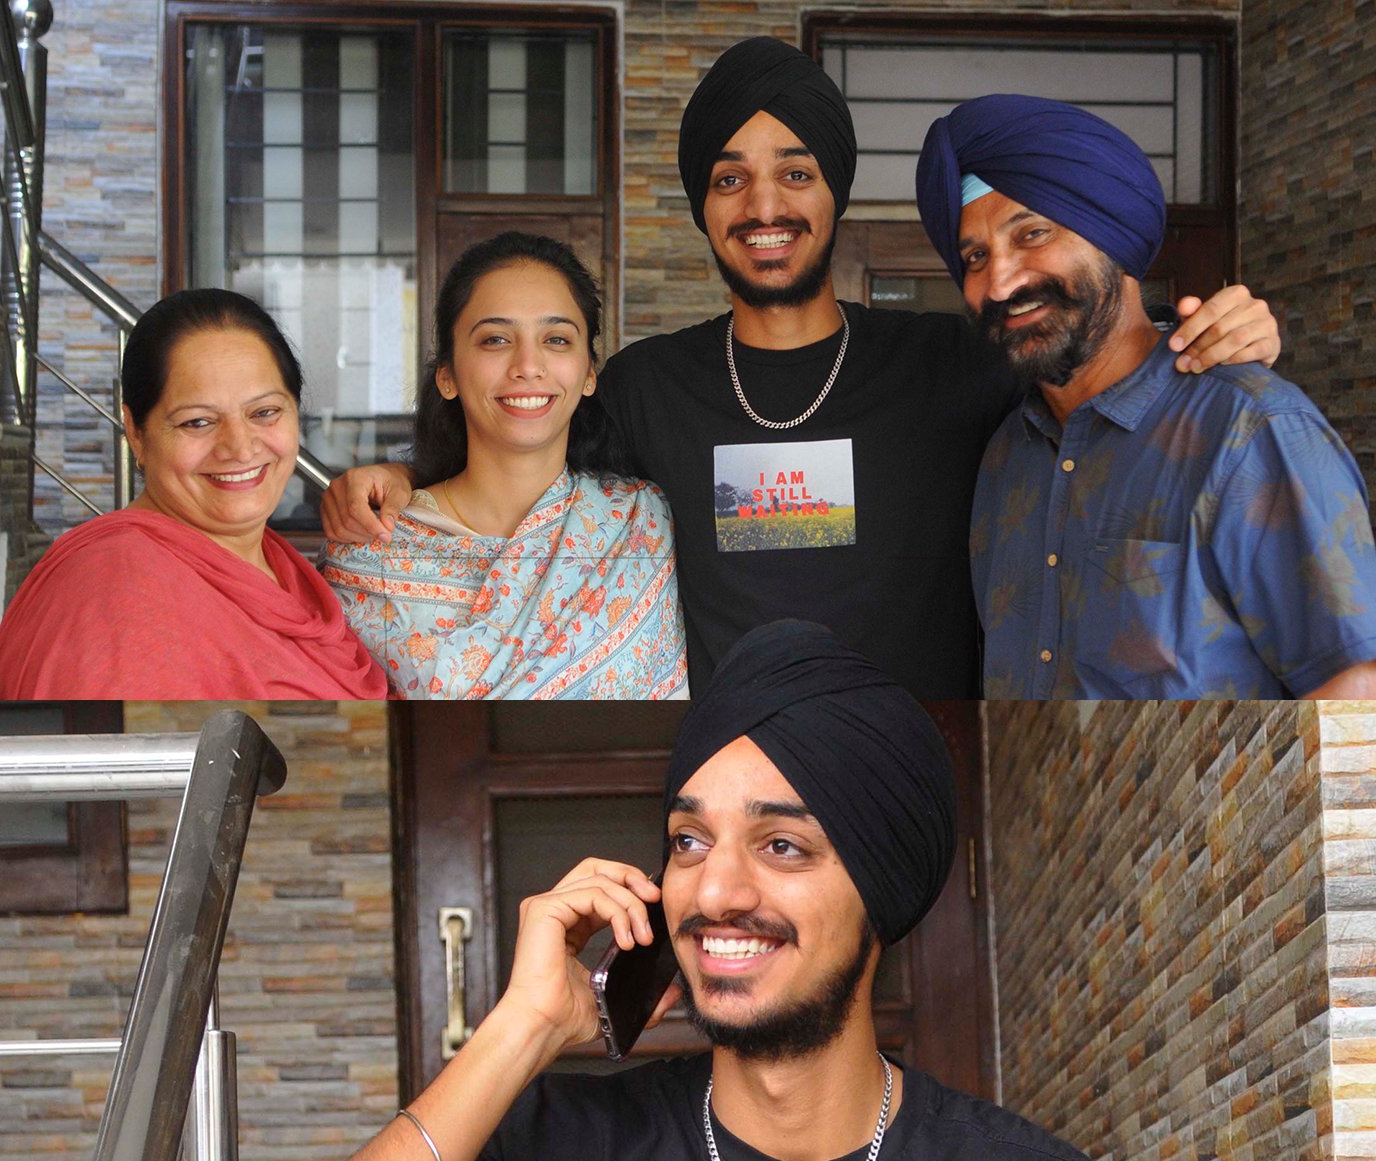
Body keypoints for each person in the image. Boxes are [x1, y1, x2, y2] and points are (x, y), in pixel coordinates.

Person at [229, 619, 1205, 1161]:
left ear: (881, 890)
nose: (715, 890)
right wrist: (515, 1033)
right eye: (688, 840)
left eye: (781, 845)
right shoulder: (560, 1155)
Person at [319, 38, 1281, 699]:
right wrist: (406, 481)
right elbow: (518, 454)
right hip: (745, 760)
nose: (762, 204)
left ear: (834, 193)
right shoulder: (650, 384)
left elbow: (1103, 368)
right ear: (705, 208)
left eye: (795, 170)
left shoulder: (960, 362)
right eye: (730, 178)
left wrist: (1214, 334)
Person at [916, 95, 1376, 699]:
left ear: (1113, 237)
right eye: (975, 257)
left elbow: (1355, 693)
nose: (1001, 280)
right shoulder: (1006, 456)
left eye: (1032, 233)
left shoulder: (1249, 431)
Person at [321, 232, 686, 699]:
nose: (528, 365)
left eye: (556, 339)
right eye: (495, 340)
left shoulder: (642, 524)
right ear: (448, 376)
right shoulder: (369, 550)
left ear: (589, 374)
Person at [0, 288, 386, 701]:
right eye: (197, 422)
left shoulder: (282, 566)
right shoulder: (116, 596)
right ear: (136, 432)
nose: (240, 448)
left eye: (264, 413)